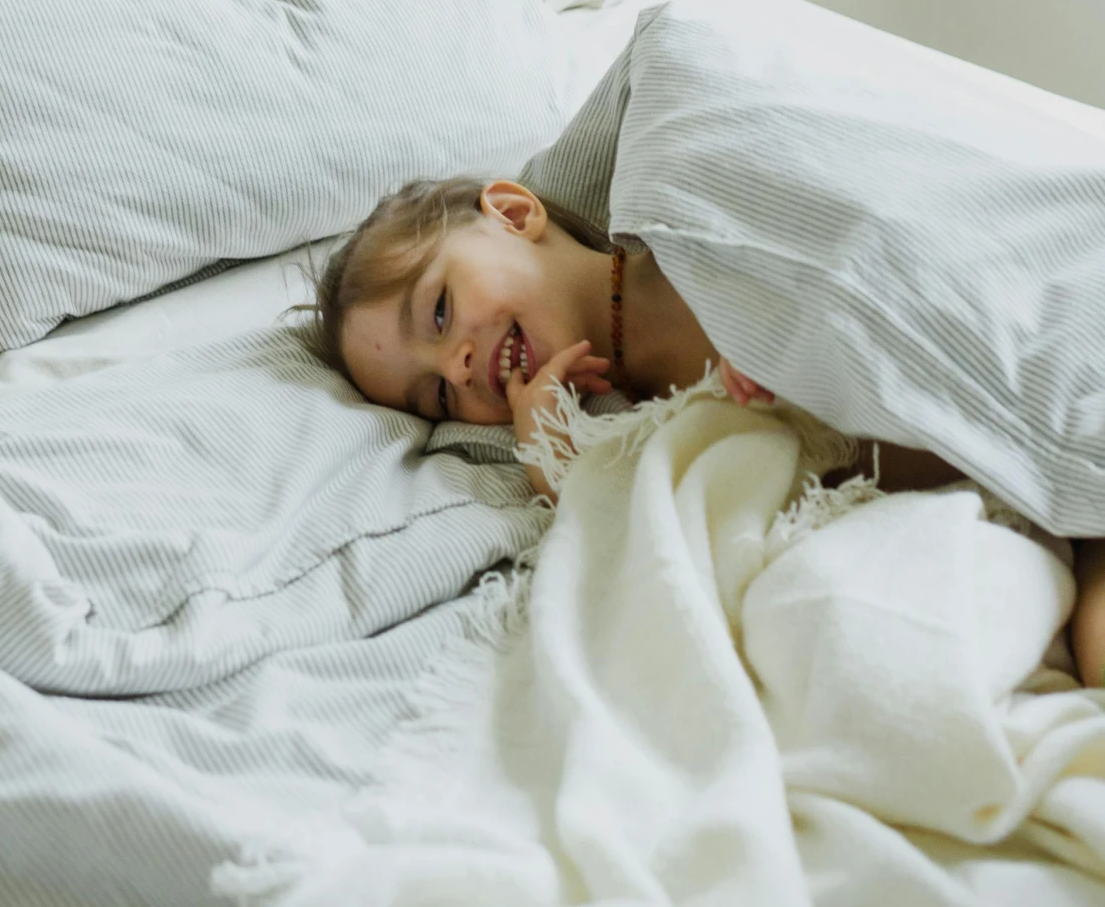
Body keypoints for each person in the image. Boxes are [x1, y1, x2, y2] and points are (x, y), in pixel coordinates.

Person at [303, 174, 1105, 690]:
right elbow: (650, 527)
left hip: (1038, 397)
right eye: (438, 394)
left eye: (440, 310)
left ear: (514, 213)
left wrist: (774, 330)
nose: (463, 361)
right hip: (1036, 510)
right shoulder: (621, 417)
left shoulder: (679, 245)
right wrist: (553, 453)